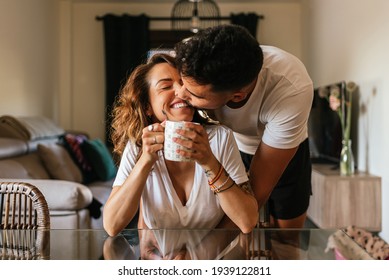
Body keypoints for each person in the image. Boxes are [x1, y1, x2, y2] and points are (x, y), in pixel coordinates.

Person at [174, 24, 313, 229]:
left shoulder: (291, 87)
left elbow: (255, 197)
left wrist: (201, 253)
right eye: (180, 83)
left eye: (195, 95)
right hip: (234, 147)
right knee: (244, 237)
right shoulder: (193, 59)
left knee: (286, 233)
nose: (179, 94)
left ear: (237, 95)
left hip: (285, 152)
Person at [103, 53, 258, 237]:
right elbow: (112, 226)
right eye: (166, 86)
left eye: (184, 84)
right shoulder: (138, 146)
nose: (181, 91)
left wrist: (209, 161)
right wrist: (146, 160)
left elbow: (247, 221)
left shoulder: (220, 138)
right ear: (147, 106)